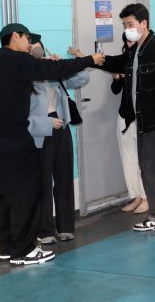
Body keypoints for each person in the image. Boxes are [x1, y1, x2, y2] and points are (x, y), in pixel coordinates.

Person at [0, 23, 103, 265]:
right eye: (27, 39)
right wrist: (89, 59)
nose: (29, 44)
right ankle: (23, 250)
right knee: (26, 193)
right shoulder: (17, 60)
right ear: (14, 37)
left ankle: (7, 246)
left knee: (1, 196)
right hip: (14, 141)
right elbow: (54, 68)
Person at [99, 3, 155, 234]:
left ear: (144, 23)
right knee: (145, 167)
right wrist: (94, 59)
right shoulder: (135, 50)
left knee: (154, 165)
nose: (127, 29)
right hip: (141, 120)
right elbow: (118, 63)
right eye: (125, 25)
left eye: (130, 24)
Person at [28, 36, 89, 245]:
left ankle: (65, 227)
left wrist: (69, 62)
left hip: (61, 128)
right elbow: (19, 116)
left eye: (40, 51)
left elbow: (81, 80)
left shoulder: (54, 74)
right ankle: (44, 230)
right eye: (33, 52)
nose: (38, 55)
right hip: (40, 133)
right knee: (43, 182)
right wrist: (45, 123)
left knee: (64, 178)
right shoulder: (25, 78)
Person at [110, 36, 148, 214]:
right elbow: (115, 90)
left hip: (142, 115)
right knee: (128, 157)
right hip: (124, 114)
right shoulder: (123, 60)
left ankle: (147, 196)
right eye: (128, 42)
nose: (130, 45)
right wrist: (117, 77)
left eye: (133, 42)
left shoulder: (147, 58)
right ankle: (136, 196)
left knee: (144, 158)